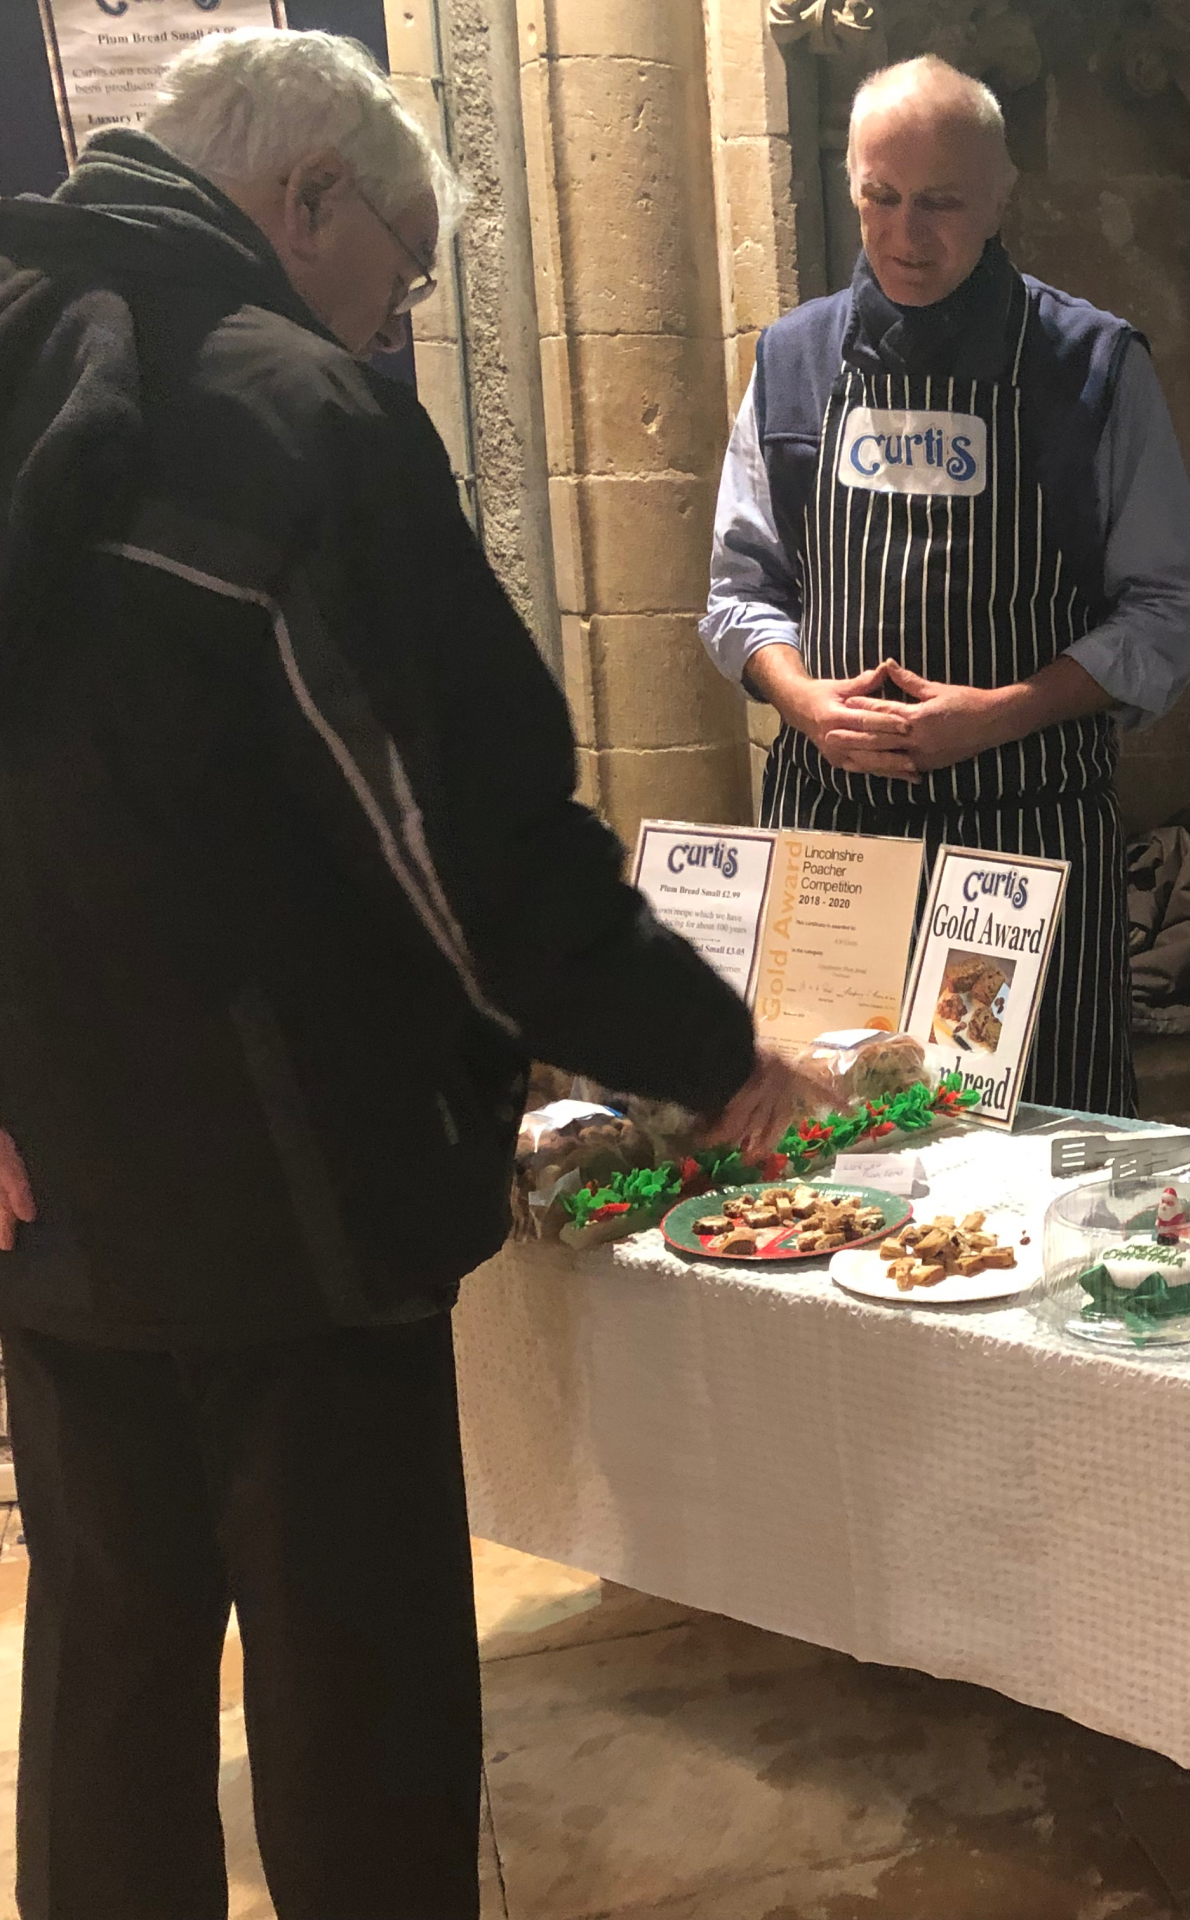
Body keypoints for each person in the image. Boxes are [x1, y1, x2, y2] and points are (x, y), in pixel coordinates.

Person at [0, 29, 816, 1916]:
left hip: (57, 1189)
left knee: (109, 1678)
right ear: (309, 201)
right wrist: (704, 1046)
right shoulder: (305, 420)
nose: (403, 316)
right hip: (300, 1197)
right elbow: (467, 840)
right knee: (354, 1691)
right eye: (408, 268)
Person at [702, 55, 1190, 1119]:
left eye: (939, 202)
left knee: (1031, 1152)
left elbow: (1168, 603)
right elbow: (740, 589)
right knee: (831, 1153)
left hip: (1023, 844)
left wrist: (1006, 713)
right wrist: (799, 697)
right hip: (835, 843)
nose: (904, 233)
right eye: (879, 198)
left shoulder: (1090, 366)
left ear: (999, 196)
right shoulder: (792, 361)